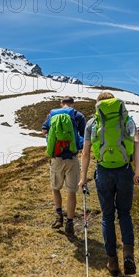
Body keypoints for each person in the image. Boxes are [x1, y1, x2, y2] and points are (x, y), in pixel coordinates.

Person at [79, 91, 139, 276]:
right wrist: (138, 171)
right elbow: (137, 144)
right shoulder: (127, 120)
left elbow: (85, 153)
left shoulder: (92, 123)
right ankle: (128, 255)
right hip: (124, 170)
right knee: (124, 213)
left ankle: (112, 262)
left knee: (107, 216)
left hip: (103, 171)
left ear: (99, 106)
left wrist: (83, 178)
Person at [42, 97, 86, 235]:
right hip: (72, 157)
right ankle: (70, 223)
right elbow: (84, 136)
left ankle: (59, 216)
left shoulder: (52, 114)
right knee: (71, 191)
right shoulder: (78, 115)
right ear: (73, 104)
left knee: (55, 188)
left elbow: (44, 131)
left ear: (61, 104)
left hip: (57, 157)